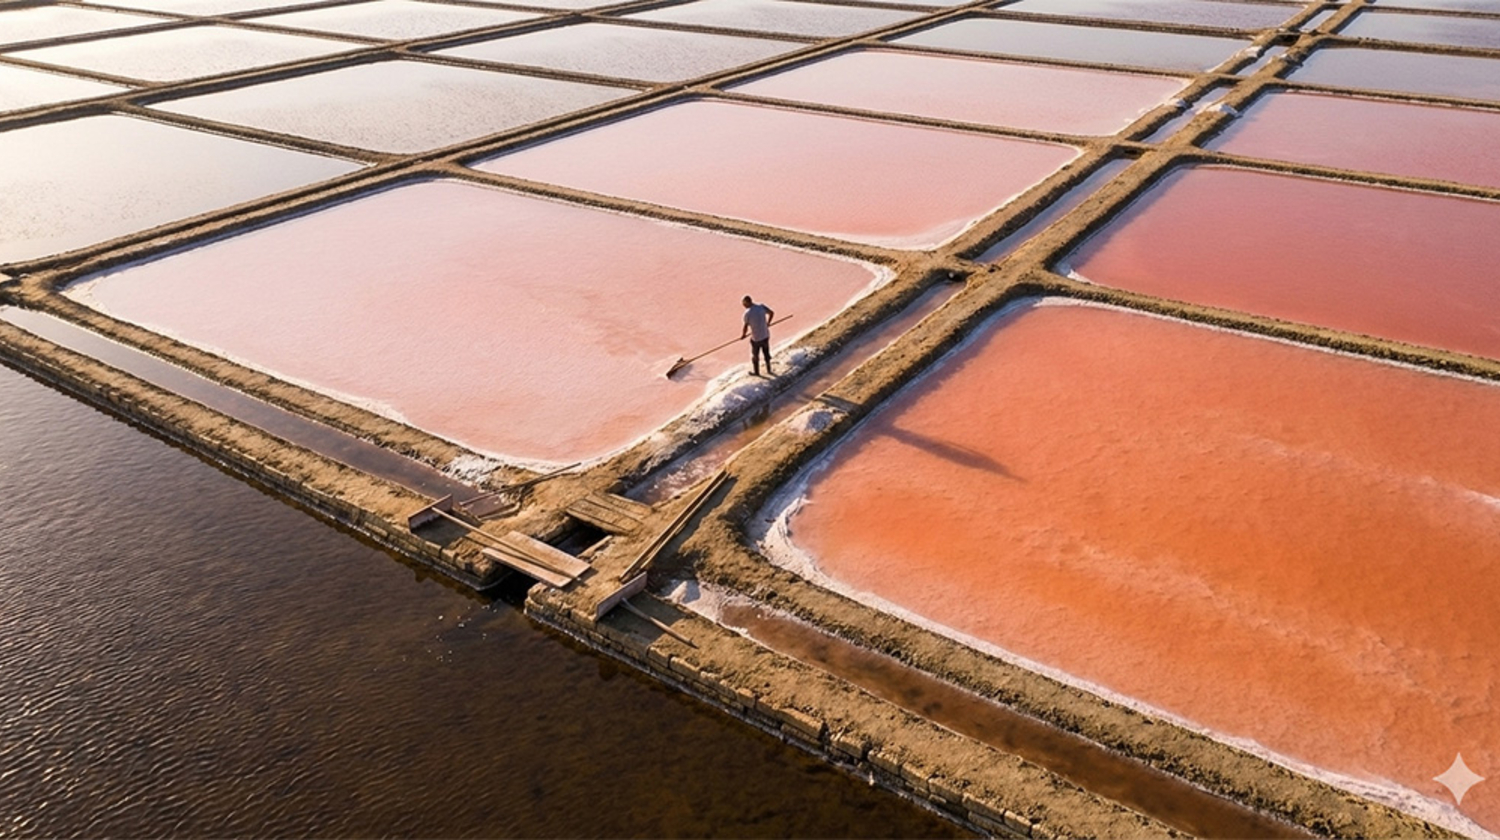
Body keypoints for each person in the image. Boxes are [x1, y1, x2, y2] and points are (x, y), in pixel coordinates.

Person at [741, 295, 775, 376]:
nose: (744, 306)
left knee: (755, 355)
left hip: (756, 338)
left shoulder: (747, 313)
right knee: (766, 352)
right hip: (765, 335)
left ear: (747, 303)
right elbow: (771, 313)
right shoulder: (761, 307)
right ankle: (769, 369)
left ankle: (756, 372)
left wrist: (743, 335)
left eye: (744, 304)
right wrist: (768, 323)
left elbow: (745, 326)